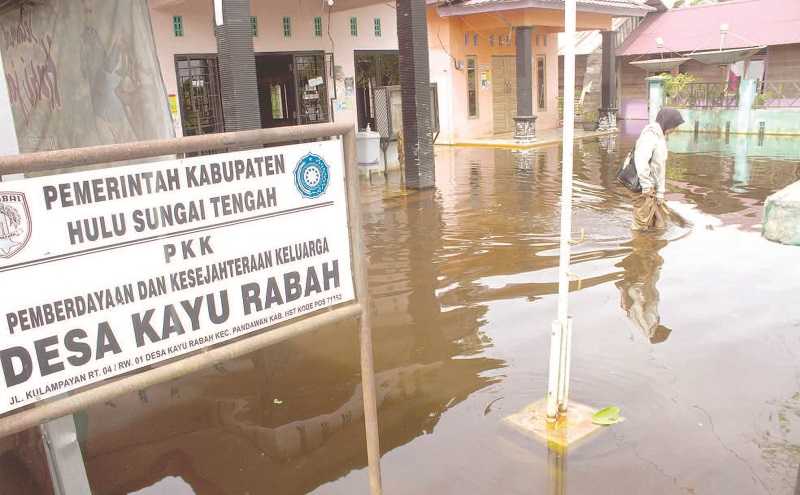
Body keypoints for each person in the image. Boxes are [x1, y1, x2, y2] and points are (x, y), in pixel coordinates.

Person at [632, 108, 685, 231]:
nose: (675, 129)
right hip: (643, 187)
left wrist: (660, 192)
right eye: (674, 126)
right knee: (641, 222)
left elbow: (660, 167)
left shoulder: (660, 137)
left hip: (652, 187)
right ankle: (638, 246)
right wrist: (646, 186)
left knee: (654, 221)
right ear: (668, 123)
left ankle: (650, 246)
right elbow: (641, 161)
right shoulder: (650, 136)